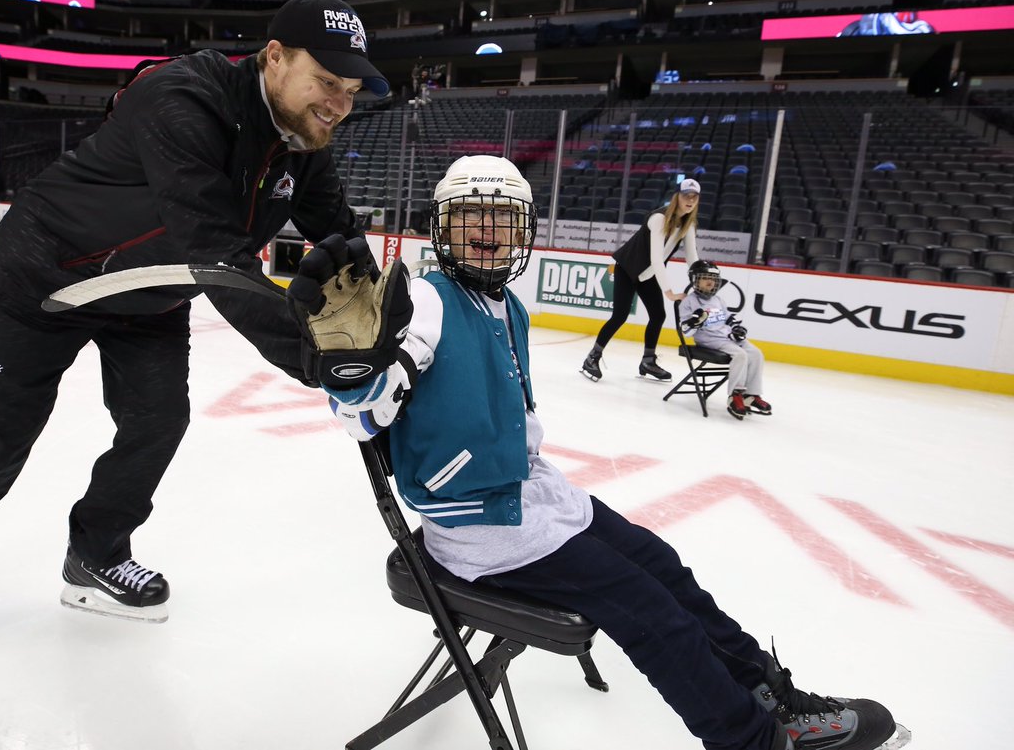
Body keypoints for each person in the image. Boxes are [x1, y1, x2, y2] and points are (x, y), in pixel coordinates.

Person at [0, 0, 390, 695]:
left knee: (158, 421)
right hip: (43, 277)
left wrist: (385, 327)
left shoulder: (304, 140)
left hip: (147, 296)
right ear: (274, 57)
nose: (338, 102)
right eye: (326, 81)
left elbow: (339, 238)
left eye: (349, 90)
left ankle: (95, 552)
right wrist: (315, 358)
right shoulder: (183, 98)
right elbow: (214, 250)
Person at [308, 155, 907, 750]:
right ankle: (750, 741)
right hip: (478, 528)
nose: (488, 232)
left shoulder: (508, 306)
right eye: (471, 216)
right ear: (443, 225)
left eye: (503, 218)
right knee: (648, 609)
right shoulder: (431, 304)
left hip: (533, 497)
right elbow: (367, 414)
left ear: (524, 230)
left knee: (667, 569)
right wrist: (354, 375)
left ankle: (770, 695)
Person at [580, 177, 702, 383]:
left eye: (694, 197)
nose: (690, 200)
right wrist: (669, 291)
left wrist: (700, 277)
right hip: (627, 269)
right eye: (685, 196)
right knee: (620, 315)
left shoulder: (688, 225)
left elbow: (692, 257)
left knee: (658, 315)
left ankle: (648, 361)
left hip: (648, 274)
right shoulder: (659, 219)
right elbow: (656, 258)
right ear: (677, 197)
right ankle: (592, 357)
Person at [679, 260, 772, 420]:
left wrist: (737, 329)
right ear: (695, 280)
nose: (710, 282)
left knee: (756, 353)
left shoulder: (718, 300)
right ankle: (735, 395)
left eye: (713, 279)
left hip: (728, 337)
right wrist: (694, 322)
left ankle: (751, 395)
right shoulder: (689, 302)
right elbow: (686, 331)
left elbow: (729, 319)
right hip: (709, 340)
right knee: (741, 355)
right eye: (705, 278)